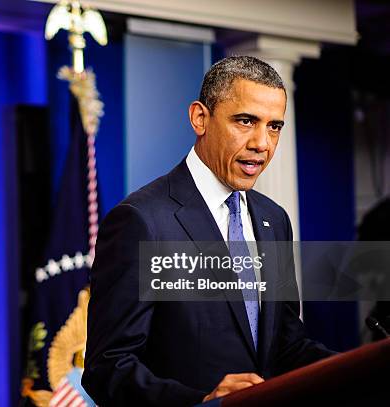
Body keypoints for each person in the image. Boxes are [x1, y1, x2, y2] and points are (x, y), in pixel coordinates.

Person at [82, 56, 335, 406]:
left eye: (274, 126)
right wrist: (202, 402)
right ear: (200, 118)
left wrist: (364, 367)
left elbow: (285, 344)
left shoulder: (274, 220)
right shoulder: (142, 221)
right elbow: (107, 368)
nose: (262, 143)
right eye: (246, 121)